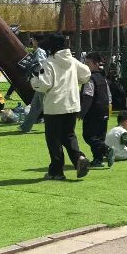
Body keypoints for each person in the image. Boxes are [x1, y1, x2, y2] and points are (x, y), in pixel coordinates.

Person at [30, 33, 91, 181]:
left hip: (54, 106)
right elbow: (86, 74)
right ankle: (79, 158)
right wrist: (75, 80)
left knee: (54, 139)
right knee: (69, 135)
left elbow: (44, 84)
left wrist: (33, 79)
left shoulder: (49, 62)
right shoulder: (72, 60)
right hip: (72, 104)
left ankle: (56, 171)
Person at [81, 52, 112, 168]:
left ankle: (106, 149)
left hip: (93, 113)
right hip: (104, 111)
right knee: (100, 137)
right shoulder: (103, 78)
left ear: (96, 64)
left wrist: (82, 112)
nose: (86, 65)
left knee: (88, 136)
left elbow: (88, 97)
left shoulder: (90, 79)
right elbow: (109, 96)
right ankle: (98, 160)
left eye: (88, 63)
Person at [18, 34, 49, 133]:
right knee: (35, 107)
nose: (31, 40)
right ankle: (25, 127)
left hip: (41, 82)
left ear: (36, 41)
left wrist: (31, 69)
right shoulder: (37, 51)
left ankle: (52, 126)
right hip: (39, 82)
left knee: (45, 107)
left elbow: (41, 65)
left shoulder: (40, 51)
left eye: (33, 39)